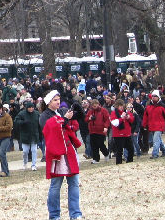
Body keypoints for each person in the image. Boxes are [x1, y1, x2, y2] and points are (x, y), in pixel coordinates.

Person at [40, 90, 83, 220]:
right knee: (56, 184)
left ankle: (75, 214)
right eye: (54, 100)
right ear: (48, 102)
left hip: (69, 151)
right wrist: (65, 119)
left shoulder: (63, 111)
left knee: (74, 183)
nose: (58, 102)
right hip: (56, 153)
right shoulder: (44, 115)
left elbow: (81, 116)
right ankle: (54, 215)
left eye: (58, 99)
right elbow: (51, 129)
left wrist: (76, 105)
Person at [143, 90, 165, 159]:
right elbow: (145, 116)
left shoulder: (163, 106)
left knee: (155, 140)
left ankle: (155, 154)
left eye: (155, 96)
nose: (153, 98)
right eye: (153, 96)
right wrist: (144, 125)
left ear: (158, 97)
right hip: (152, 126)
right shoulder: (148, 107)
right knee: (158, 140)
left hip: (159, 126)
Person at [15, 100, 41, 171]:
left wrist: (40, 134)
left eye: (32, 107)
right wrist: (23, 122)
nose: (31, 109)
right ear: (27, 108)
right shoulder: (22, 114)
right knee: (25, 151)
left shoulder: (36, 114)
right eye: (29, 107)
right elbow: (16, 121)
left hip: (34, 135)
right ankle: (25, 163)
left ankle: (33, 165)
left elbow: (40, 124)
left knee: (34, 150)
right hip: (25, 136)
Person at [85, 98, 110, 163]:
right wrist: (89, 118)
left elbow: (107, 119)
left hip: (101, 131)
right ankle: (96, 159)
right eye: (93, 106)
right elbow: (86, 119)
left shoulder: (103, 111)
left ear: (98, 104)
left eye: (95, 106)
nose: (94, 107)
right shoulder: (90, 111)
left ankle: (106, 153)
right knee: (93, 145)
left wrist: (106, 127)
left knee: (100, 144)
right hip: (92, 131)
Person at [110, 99, 135, 164]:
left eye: (122, 105)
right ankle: (119, 163)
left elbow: (132, 120)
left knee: (131, 149)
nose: (121, 107)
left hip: (127, 134)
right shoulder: (113, 113)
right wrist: (122, 117)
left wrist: (128, 117)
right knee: (119, 150)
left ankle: (130, 161)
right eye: (119, 106)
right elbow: (114, 123)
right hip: (118, 135)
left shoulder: (126, 112)